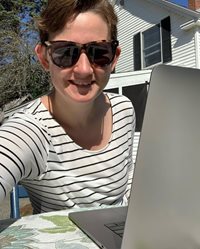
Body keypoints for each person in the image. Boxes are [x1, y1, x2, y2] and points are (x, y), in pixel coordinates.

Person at [0, 0, 135, 214]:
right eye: (65, 52)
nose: (83, 70)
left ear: (114, 57)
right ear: (45, 58)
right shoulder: (31, 131)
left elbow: (127, 183)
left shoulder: (123, 110)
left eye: (98, 52)